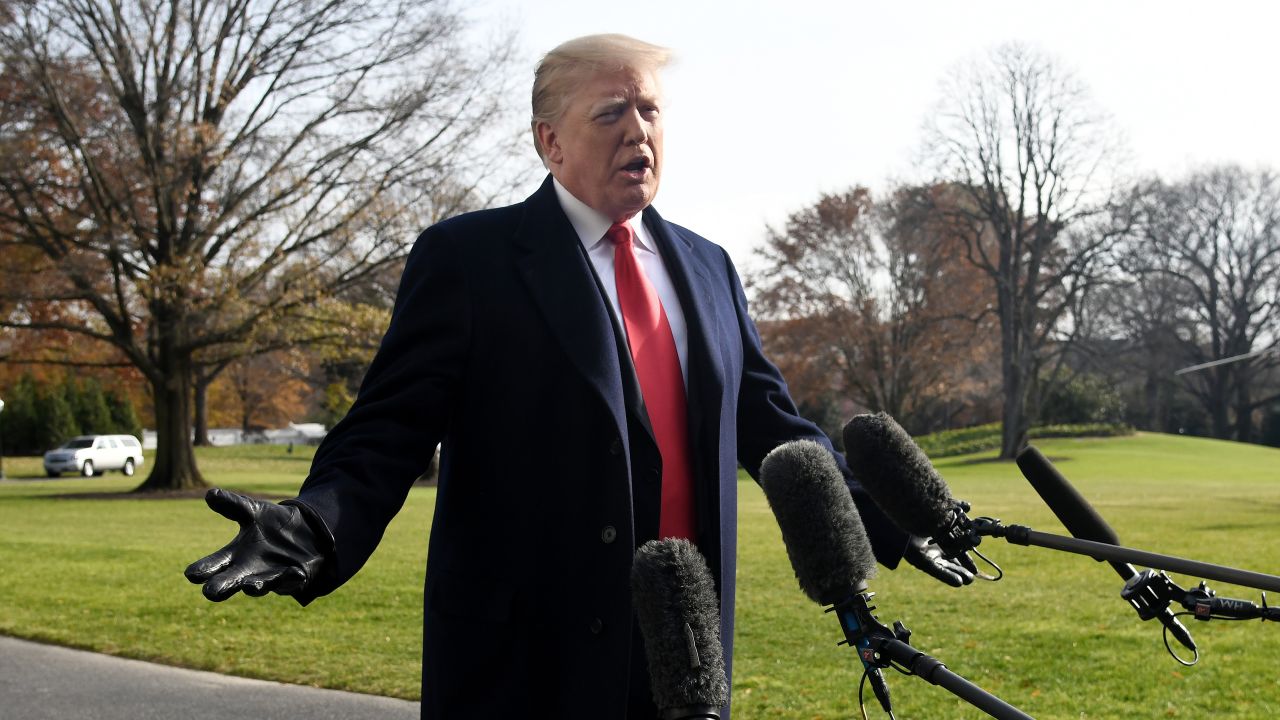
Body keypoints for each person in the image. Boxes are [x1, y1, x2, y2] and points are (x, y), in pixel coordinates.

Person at [185, 33, 974, 719]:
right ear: (550, 141)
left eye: (651, 111)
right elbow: (387, 431)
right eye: (610, 114)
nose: (639, 131)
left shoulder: (709, 267)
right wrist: (316, 525)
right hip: (528, 667)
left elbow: (772, 425)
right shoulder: (471, 261)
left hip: (686, 658)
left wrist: (886, 518)